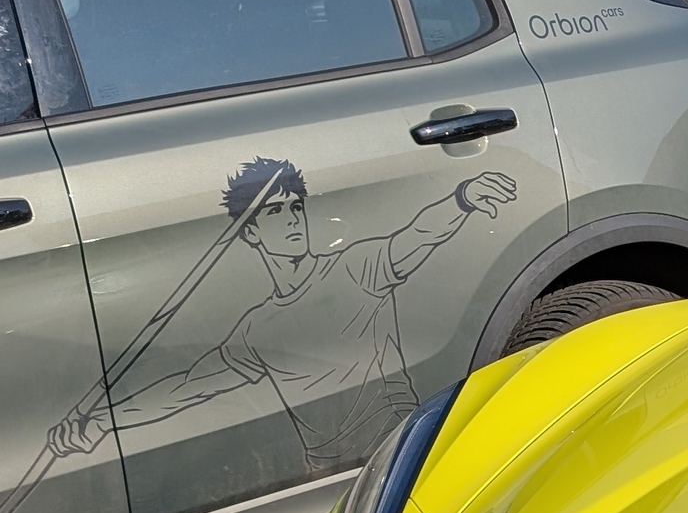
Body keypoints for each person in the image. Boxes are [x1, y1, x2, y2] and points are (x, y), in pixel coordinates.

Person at [49, 157, 517, 477]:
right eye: (275, 212)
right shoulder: (255, 327)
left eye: (295, 207)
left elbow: (415, 237)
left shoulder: (353, 269)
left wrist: (461, 199)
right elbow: (187, 388)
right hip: (330, 473)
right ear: (250, 234)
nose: (292, 218)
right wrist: (100, 422)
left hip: (393, 456)